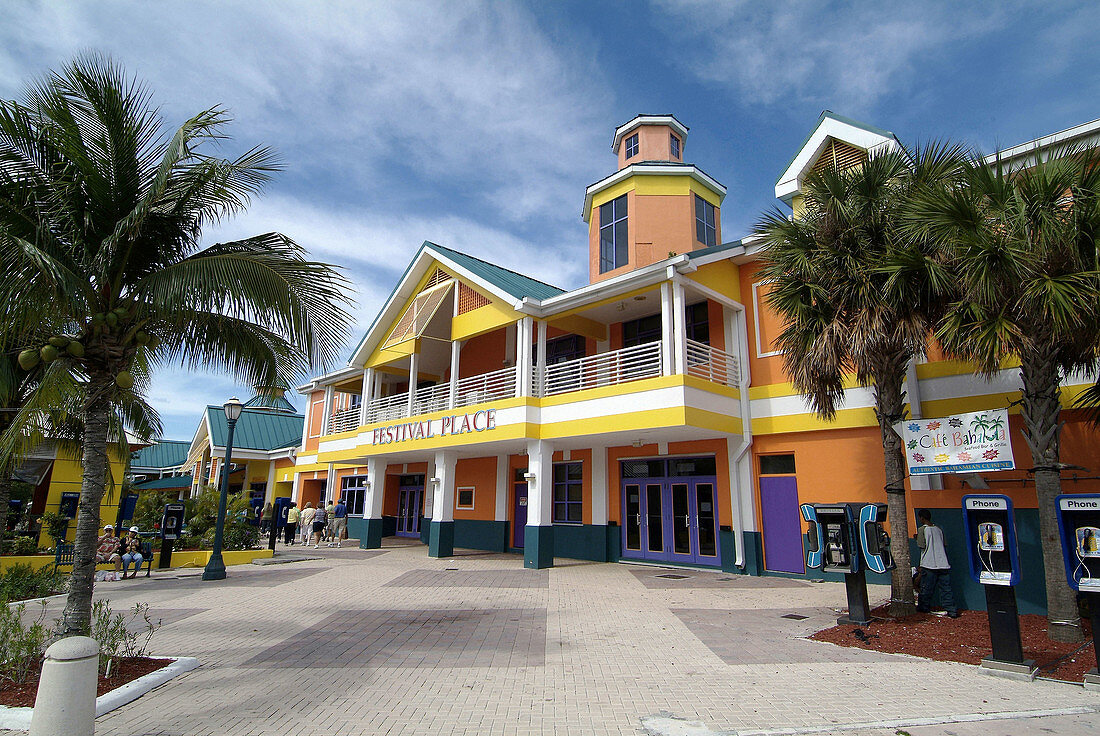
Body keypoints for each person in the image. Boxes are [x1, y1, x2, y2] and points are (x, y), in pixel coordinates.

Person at [916, 509, 959, 618]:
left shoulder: (922, 530)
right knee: (946, 589)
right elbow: (944, 544)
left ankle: (923, 608)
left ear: (922, 518)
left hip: (929, 563)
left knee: (926, 588)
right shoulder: (939, 529)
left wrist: (916, 538)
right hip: (943, 562)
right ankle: (951, 610)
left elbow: (921, 545)